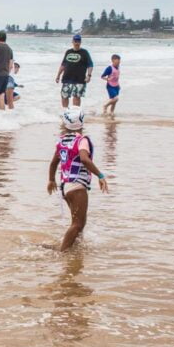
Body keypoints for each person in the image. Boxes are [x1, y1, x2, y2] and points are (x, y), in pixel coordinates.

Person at [47, 107, 109, 251]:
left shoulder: (62, 141)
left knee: (79, 222)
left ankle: (75, 248)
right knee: (77, 224)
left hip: (65, 186)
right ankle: (62, 251)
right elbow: (84, 159)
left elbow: (53, 163)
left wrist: (51, 180)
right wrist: (100, 175)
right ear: (81, 122)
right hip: (77, 186)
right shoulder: (82, 141)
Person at [56, 34, 94, 107]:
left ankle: (75, 113)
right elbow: (63, 65)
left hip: (79, 79)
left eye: (78, 41)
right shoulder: (68, 52)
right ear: (72, 42)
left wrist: (89, 75)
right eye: (75, 41)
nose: (77, 43)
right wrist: (58, 75)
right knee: (64, 96)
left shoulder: (84, 52)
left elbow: (90, 65)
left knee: (76, 97)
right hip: (67, 78)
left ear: (80, 42)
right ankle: (65, 113)